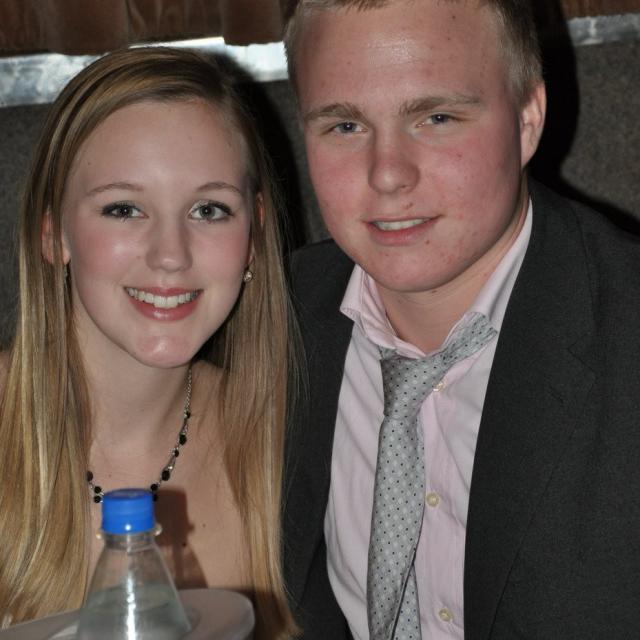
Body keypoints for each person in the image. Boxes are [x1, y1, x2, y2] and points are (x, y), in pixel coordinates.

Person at [281, 0, 640, 638]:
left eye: (437, 118)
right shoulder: (264, 324)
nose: (388, 175)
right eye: (344, 126)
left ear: (527, 120)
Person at [0, 46, 297, 639]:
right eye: (124, 208)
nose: (170, 255)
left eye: (209, 209)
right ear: (53, 232)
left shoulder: (295, 444)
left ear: (256, 234)